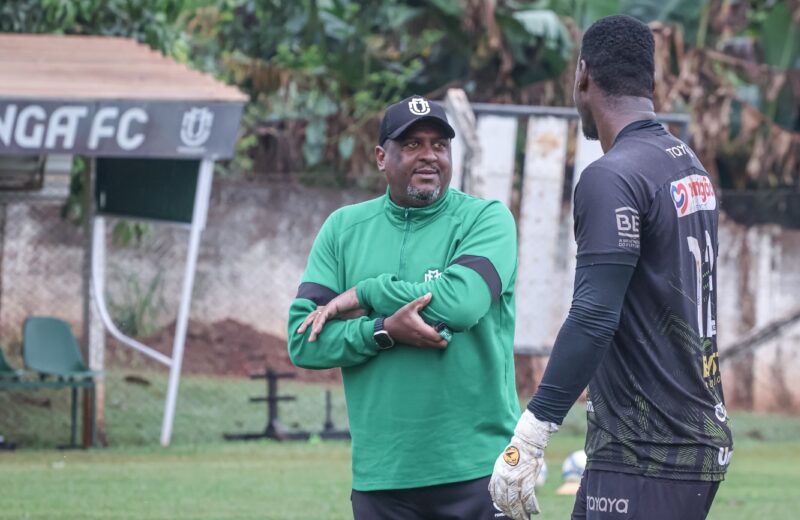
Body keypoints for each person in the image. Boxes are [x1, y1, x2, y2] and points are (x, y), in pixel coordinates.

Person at [489, 15, 733, 520]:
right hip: (679, 438)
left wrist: (531, 435)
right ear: (653, 82)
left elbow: (595, 314)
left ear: (583, 76)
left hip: (651, 448)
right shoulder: (687, 163)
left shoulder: (612, 176)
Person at [288, 95, 521, 519]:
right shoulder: (343, 230)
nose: (429, 156)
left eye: (439, 144)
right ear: (382, 157)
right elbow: (304, 340)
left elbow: (462, 304)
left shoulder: (486, 220)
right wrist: (380, 331)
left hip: (477, 469)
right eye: (412, 144)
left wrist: (366, 293)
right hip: (383, 477)